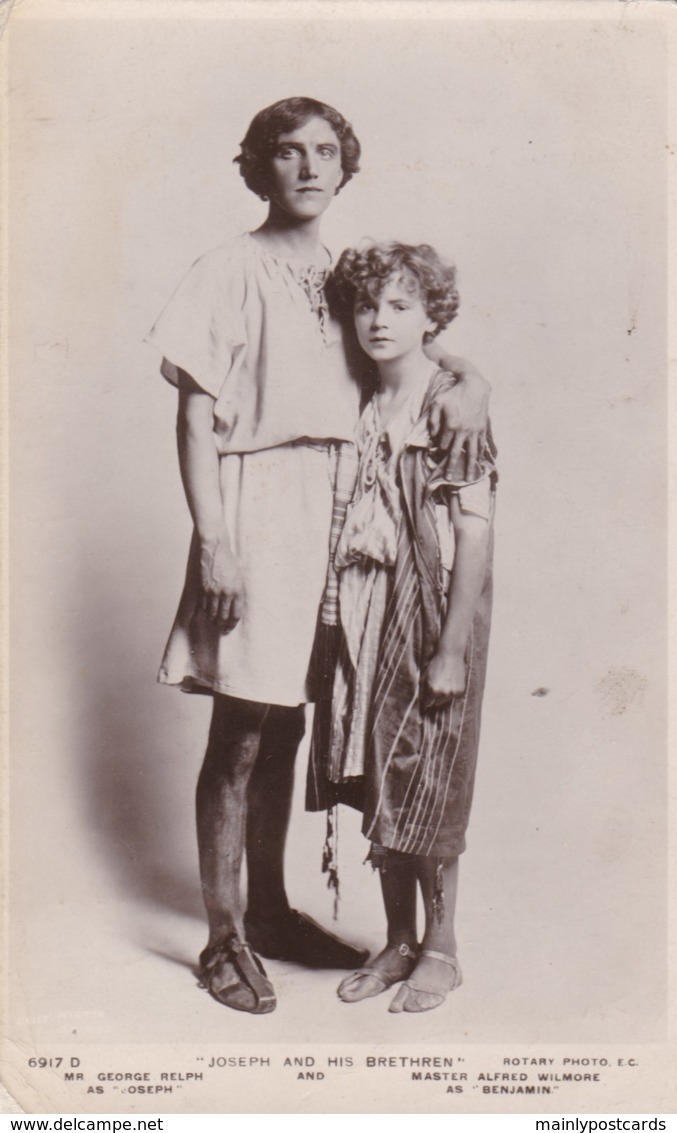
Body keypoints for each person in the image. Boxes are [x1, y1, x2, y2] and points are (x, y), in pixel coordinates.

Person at [146, 97, 491, 1015]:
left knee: (298, 723)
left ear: (345, 168)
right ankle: (223, 938)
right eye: (286, 152)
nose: (306, 167)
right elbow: (192, 415)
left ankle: (268, 909)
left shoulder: (350, 273)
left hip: (347, 513)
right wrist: (214, 541)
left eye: (324, 152)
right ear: (257, 167)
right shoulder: (228, 268)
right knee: (242, 727)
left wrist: (476, 382)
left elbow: (424, 346)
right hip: (259, 506)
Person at [309, 241, 496, 1013]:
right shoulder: (359, 396)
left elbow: (476, 533)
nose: (378, 320)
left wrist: (450, 647)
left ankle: (441, 948)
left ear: (429, 317)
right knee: (374, 771)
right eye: (366, 305)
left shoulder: (448, 403)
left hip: (430, 613)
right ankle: (396, 940)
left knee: (429, 775)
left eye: (399, 306)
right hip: (361, 606)